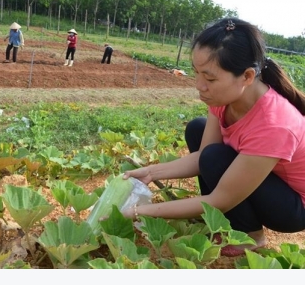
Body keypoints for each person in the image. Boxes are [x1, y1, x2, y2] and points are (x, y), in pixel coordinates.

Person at [122, 18, 305, 257]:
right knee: (198, 130)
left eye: (210, 79)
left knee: (215, 158)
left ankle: (250, 235)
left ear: (248, 76)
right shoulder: (225, 99)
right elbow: (202, 158)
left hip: (292, 207)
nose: (199, 85)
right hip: (263, 177)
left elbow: (221, 197)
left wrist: (138, 212)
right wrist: (151, 172)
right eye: (197, 73)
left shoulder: (275, 123)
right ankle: (219, 219)